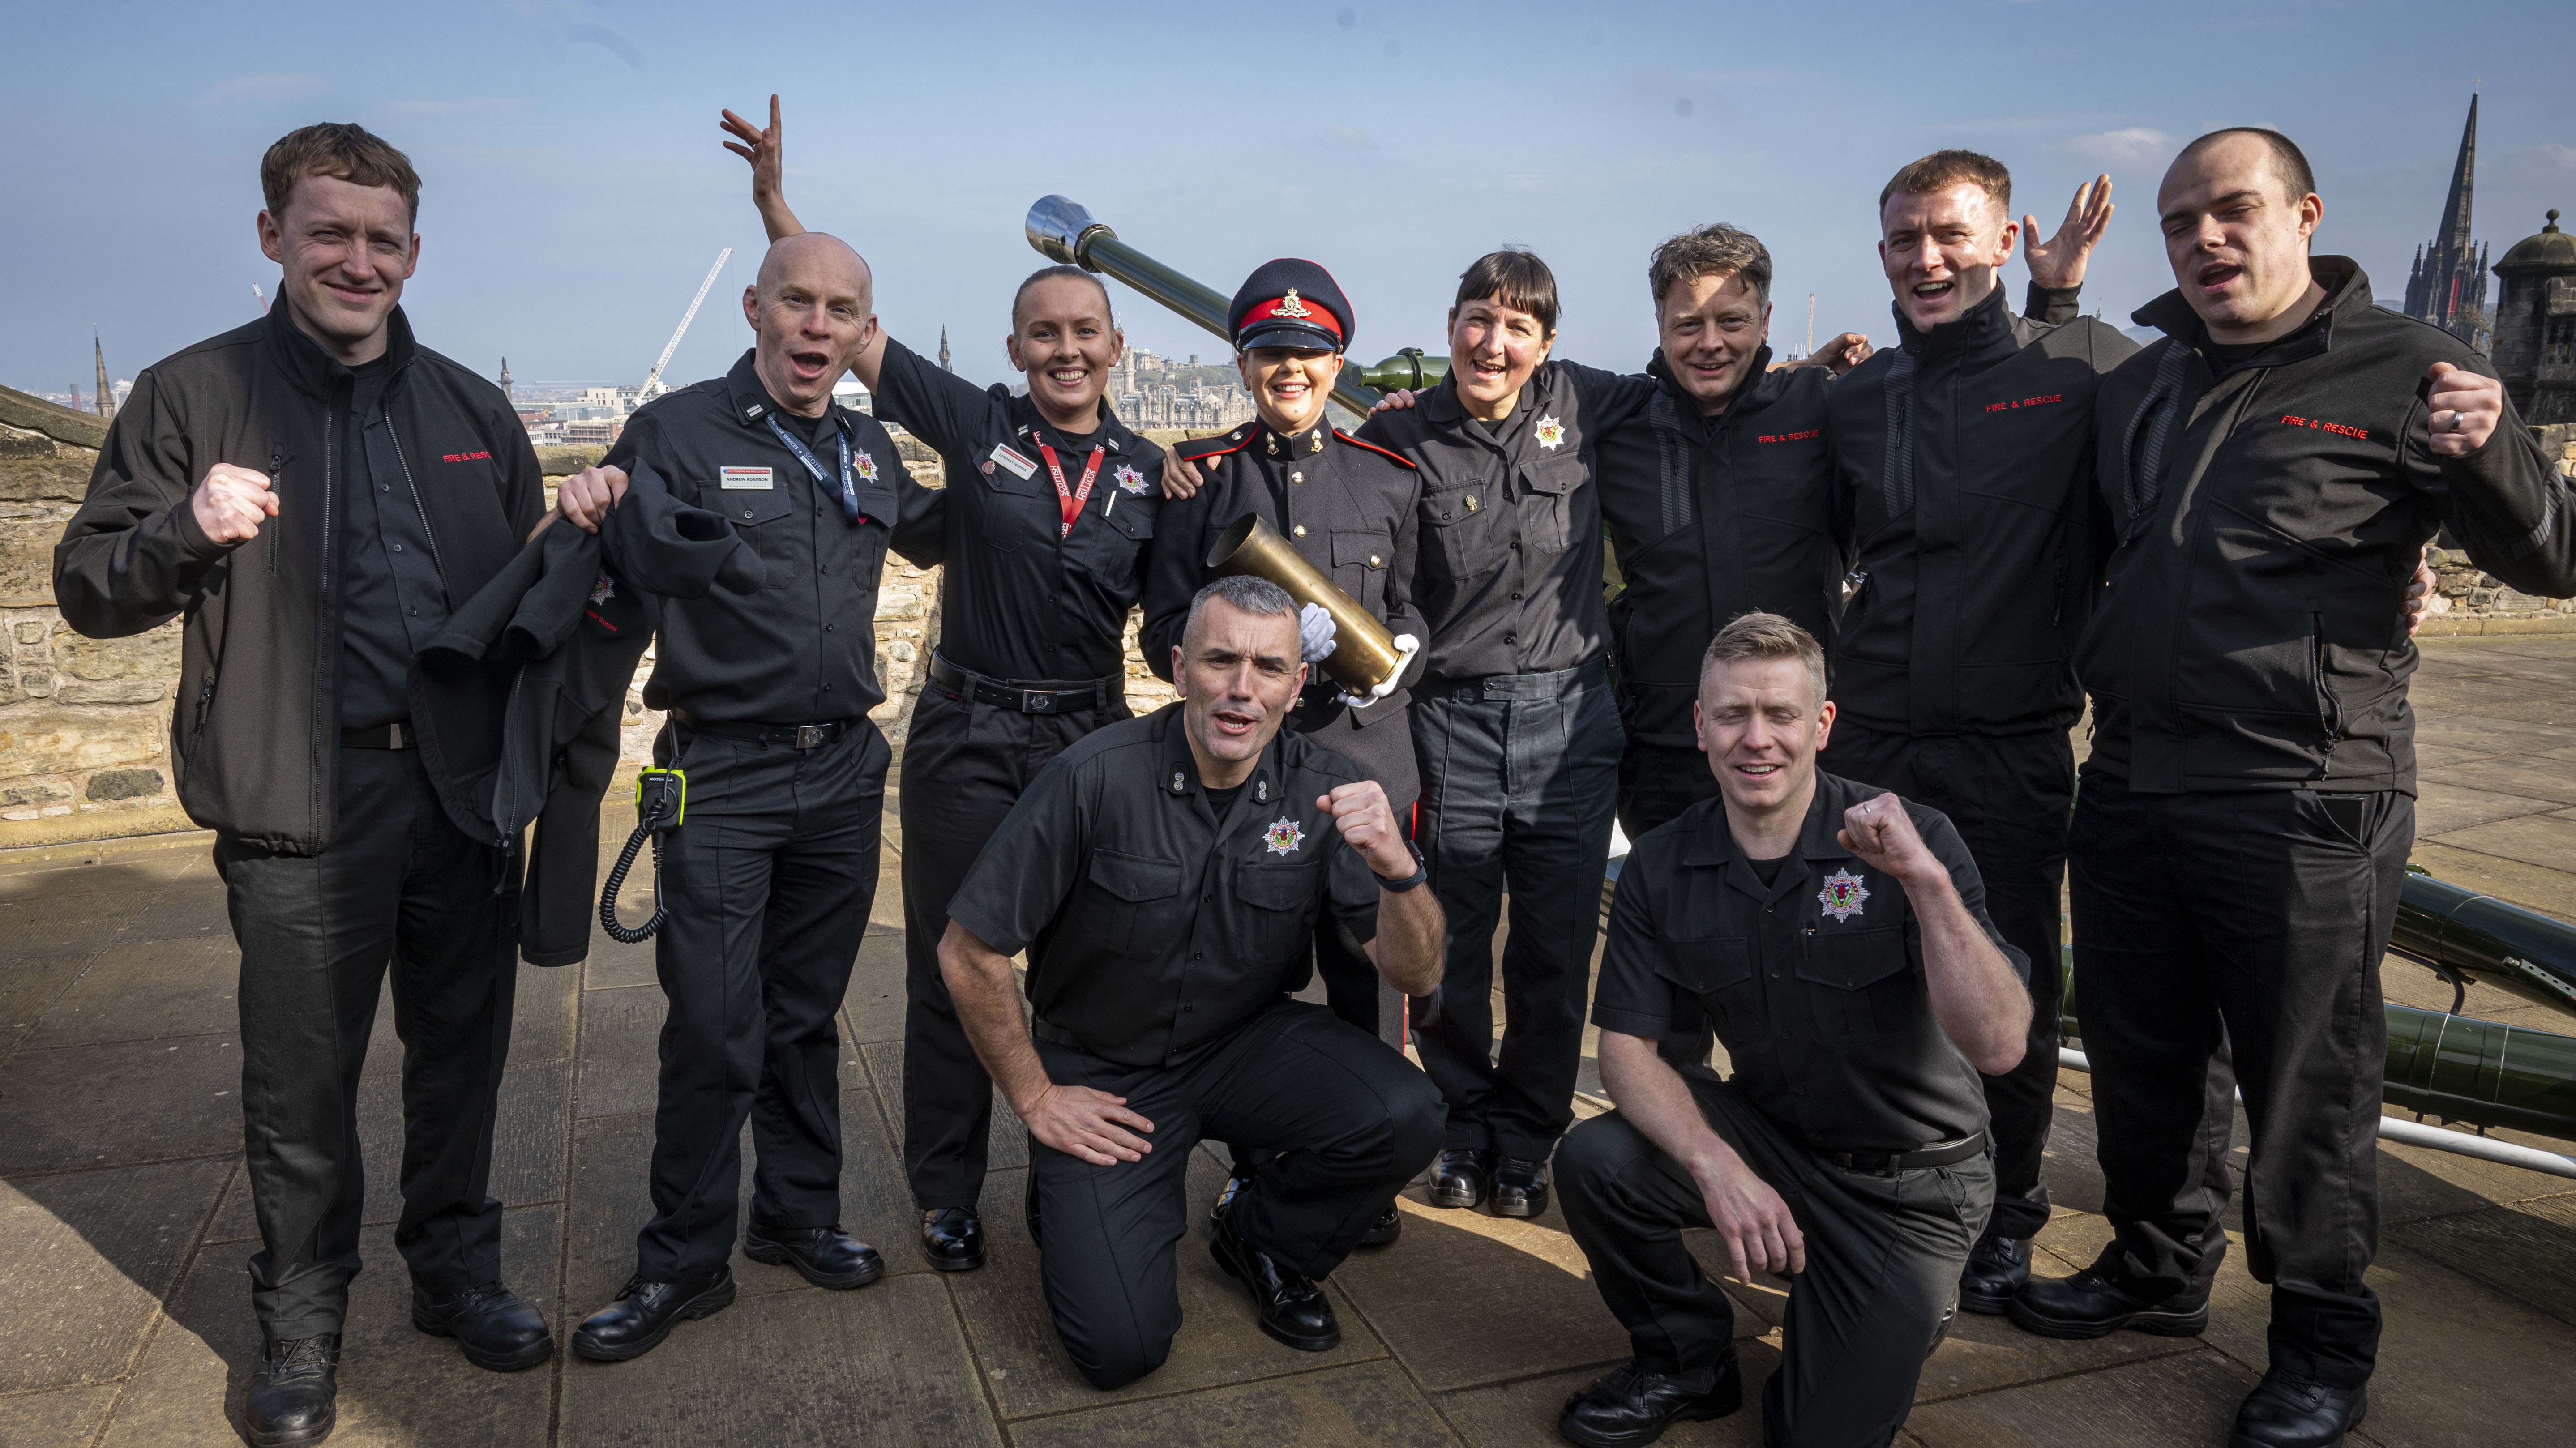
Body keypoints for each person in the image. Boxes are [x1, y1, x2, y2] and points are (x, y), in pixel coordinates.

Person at [2022, 128, 2576, 1448]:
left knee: (2305, 1082)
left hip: (2306, 786)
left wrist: (2496, 449)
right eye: (2180, 223)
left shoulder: (2417, 367)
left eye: (2232, 210)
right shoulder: (2142, 385)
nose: (2205, 239)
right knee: (2145, 1056)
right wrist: (2047, 301)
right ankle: (2157, 1271)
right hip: (2136, 770)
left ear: (2304, 215)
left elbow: (2551, 560)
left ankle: (2322, 1339)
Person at [54, 123, 552, 1446]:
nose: (356, 259)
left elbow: (525, 599)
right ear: (272, 234)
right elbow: (85, 585)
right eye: (329, 231)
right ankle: (303, 1319)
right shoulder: (189, 395)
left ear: (415, 252)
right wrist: (180, 526)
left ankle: (452, 1273)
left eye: (382, 238)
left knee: (462, 1062)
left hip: (454, 798)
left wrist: (589, 541)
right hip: (296, 801)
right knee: (301, 1086)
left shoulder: (471, 410)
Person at [724, 97, 1166, 1272]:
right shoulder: (977, 424)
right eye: (1044, 334)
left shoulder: (1152, 474)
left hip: (1088, 739)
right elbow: (844, 329)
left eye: (1086, 331)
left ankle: (1073, 1174)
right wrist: (775, 207)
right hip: (967, 737)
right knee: (951, 966)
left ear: (1115, 348)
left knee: (1077, 974)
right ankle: (948, 1188)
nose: (1066, 349)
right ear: (1015, 350)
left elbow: (1190, 612)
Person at [554, 230, 941, 1361]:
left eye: (842, 311)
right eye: (798, 303)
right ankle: (681, 1260)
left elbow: (957, 530)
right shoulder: (674, 435)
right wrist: (584, 496)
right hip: (721, 771)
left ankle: (797, 1215)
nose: (818, 327)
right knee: (719, 1029)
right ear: (755, 310)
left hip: (841, 770)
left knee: (806, 1017)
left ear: (863, 332)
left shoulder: (868, 450)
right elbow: (600, 557)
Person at [937, 575, 1447, 1389]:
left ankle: (1263, 1237)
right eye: (1220, 661)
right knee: (1119, 1351)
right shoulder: (1092, 777)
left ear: (1297, 683)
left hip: (1244, 1043)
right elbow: (969, 952)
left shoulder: (1328, 785)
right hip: (1106, 1069)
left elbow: (1414, 973)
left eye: (1268, 668)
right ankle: (1075, 1190)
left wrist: (1399, 872)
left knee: (1407, 1111)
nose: (1242, 689)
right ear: (1179, 670)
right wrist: (1036, 1097)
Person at [1553, 612, 2030, 1448]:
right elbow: (1627, 1050)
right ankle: (1685, 1359)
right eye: (1732, 714)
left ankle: (1897, 1299)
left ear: (1822, 724)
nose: (1756, 739)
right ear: (1700, 727)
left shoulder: (1912, 843)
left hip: (1910, 1188)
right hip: (1778, 1143)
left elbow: (1999, 1045)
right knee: (1598, 1161)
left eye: (1780, 715)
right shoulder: (1662, 864)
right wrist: (1716, 1166)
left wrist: (1924, 886)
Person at [1819, 153, 2135, 1313]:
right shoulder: (1858, 398)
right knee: (1854, 963)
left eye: (1951, 235)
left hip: (2006, 747)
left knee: (2008, 988)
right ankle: (1866, 1174)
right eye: (1903, 238)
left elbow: (2213, 448)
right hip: (1870, 743)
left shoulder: (2084, 371)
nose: (1925, 258)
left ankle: (2004, 1215)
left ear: (2005, 242)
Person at [1138, 258, 1428, 1243]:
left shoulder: (1389, 478)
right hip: (1243, 776)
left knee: (1366, 981)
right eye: (1271, 351)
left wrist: (1402, 659)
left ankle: (1362, 1177)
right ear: (1244, 362)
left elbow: (1413, 608)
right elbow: (1158, 628)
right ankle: (1260, 1166)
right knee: (1242, 976)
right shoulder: (1202, 478)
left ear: (1336, 359)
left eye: (1309, 352)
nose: (1290, 367)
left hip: (1357, 767)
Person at [1591, 223, 1854, 841]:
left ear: (1765, 322)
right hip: (1664, 750)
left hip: (1799, 750)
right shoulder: (1619, 428)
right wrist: (1411, 409)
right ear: (1660, 326)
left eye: (1731, 322)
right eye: (1688, 325)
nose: (1709, 344)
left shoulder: (1824, 411)